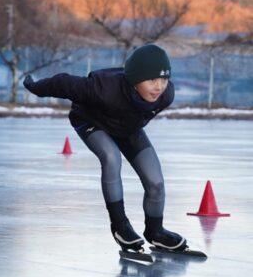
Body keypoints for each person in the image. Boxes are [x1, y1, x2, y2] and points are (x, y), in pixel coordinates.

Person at [23, 43, 188, 254]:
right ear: (135, 79)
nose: (159, 87)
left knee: (156, 182)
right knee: (111, 157)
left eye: (164, 79)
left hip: (127, 128)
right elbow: (63, 83)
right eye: (152, 80)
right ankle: (120, 226)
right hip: (92, 121)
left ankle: (156, 232)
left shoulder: (166, 95)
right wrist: (35, 87)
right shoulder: (103, 88)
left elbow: (140, 108)